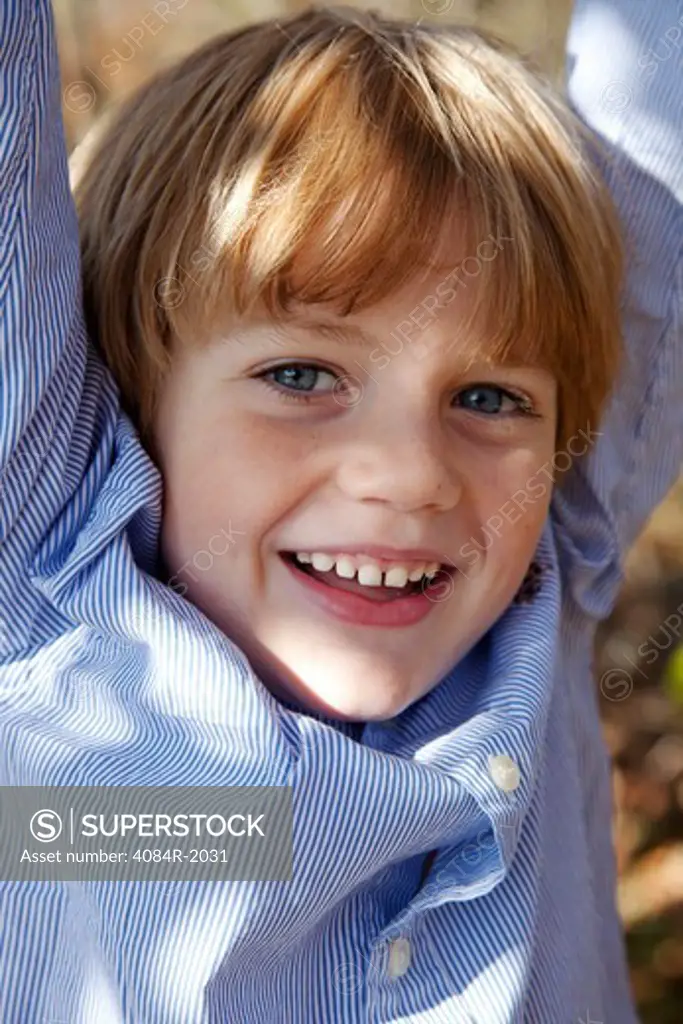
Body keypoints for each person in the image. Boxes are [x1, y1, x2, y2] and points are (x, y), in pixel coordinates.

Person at [0, 0, 680, 1020]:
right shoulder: (46, 568)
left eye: (487, 398)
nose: (410, 474)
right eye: (302, 373)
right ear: (134, 397)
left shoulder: (543, 559)